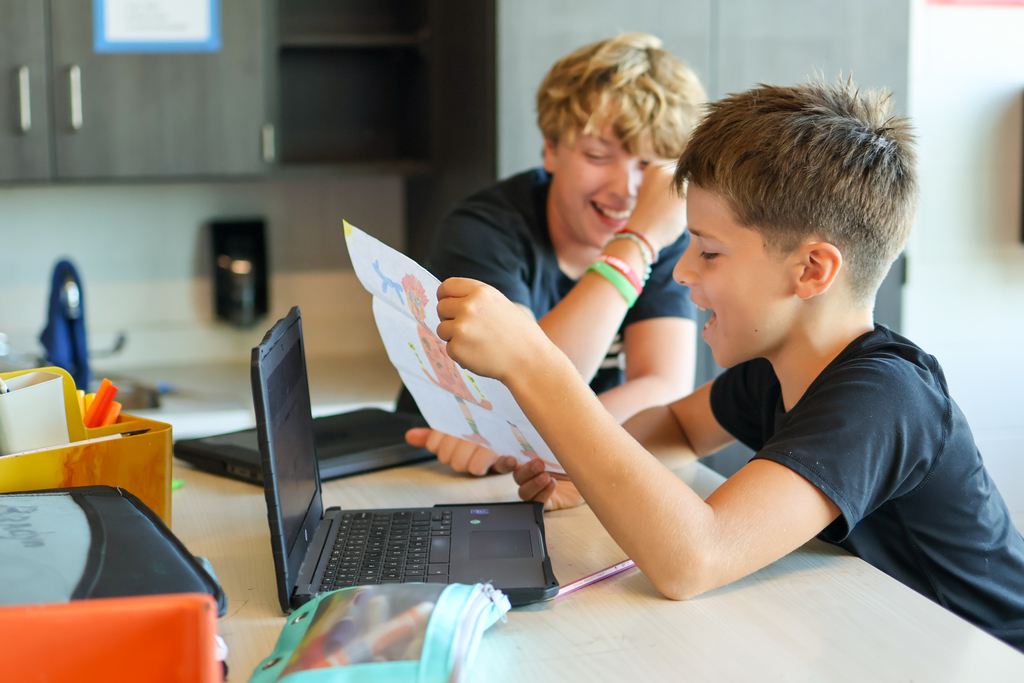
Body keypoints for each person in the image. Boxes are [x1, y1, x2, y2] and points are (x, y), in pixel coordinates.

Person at [428, 79, 1024, 651]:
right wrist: (576, 473)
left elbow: (695, 558)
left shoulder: (885, 397)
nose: (682, 271)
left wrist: (536, 362)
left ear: (813, 270)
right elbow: (677, 428)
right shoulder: (776, 370)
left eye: (709, 251)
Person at [402, 33, 706, 475]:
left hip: (554, 467)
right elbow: (521, 389)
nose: (626, 190)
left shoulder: (663, 229)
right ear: (550, 149)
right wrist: (635, 243)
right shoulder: (483, 231)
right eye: (598, 156)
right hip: (443, 469)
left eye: (649, 164)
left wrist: (548, 449)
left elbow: (663, 387)